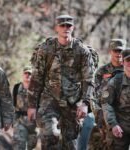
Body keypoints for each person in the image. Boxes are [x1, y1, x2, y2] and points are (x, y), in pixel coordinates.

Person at [27, 14, 94, 149]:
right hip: (50, 99)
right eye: (62, 25)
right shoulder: (46, 49)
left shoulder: (82, 50)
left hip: (72, 101)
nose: (65, 28)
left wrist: (85, 103)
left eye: (68, 25)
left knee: (71, 144)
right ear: (56, 28)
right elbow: (37, 77)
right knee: (49, 134)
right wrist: (32, 105)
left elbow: (88, 79)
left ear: (73, 27)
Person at [89, 39, 126, 150]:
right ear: (110, 51)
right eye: (116, 51)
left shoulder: (127, 70)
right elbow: (93, 95)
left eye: (121, 51)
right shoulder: (102, 71)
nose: (118, 54)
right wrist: (98, 114)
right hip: (104, 116)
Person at [102, 48, 130, 150]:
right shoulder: (115, 82)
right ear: (123, 62)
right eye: (128, 61)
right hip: (120, 127)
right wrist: (113, 124)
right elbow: (106, 104)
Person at [12, 66, 37, 150]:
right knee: (19, 145)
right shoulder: (16, 87)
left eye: (29, 73)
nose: (27, 75)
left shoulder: (36, 89)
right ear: (23, 75)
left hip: (33, 123)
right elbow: (12, 105)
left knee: (31, 145)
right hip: (19, 121)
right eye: (25, 73)